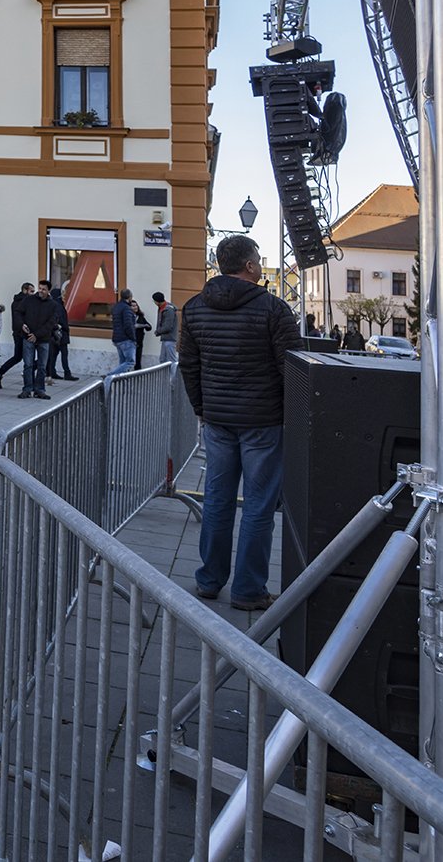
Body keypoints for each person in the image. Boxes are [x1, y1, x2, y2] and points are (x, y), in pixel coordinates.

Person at [179, 234, 302, 612]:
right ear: (249, 266)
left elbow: (190, 365)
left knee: (217, 499)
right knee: (259, 504)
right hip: (263, 421)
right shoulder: (274, 309)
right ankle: (249, 590)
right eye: (258, 259)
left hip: (217, 419)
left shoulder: (195, 307)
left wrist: (202, 407)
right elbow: (292, 368)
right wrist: (292, 415)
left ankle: (209, 580)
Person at [17, 279, 57, 399]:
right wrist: (21, 324)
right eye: (40, 288)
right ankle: (27, 389)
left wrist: (37, 335)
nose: (40, 291)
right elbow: (18, 312)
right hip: (28, 337)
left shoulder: (53, 305)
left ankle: (40, 389)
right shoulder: (29, 300)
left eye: (43, 289)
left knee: (42, 366)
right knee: (28, 365)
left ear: (48, 291)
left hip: (43, 339)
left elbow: (51, 323)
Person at [0, 281, 34, 388]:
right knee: (19, 357)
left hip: (26, 333)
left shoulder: (28, 301)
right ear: (25, 290)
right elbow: (18, 319)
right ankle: (0, 373)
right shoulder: (19, 302)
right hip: (20, 334)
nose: (33, 293)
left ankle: (0, 373)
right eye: (31, 291)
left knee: (22, 357)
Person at [44, 286, 77, 381]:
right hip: (61, 333)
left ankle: (52, 371)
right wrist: (65, 328)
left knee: (54, 354)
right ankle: (67, 373)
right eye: (62, 294)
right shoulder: (58, 306)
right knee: (63, 354)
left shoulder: (54, 304)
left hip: (56, 334)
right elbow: (60, 320)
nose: (64, 296)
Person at [109, 288, 137, 375]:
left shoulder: (116, 307)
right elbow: (128, 325)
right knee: (130, 362)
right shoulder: (126, 308)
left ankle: (122, 385)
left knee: (122, 363)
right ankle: (110, 375)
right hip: (126, 339)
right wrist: (133, 339)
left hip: (117, 338)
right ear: (129, 297)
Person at [152, 291, 179, 363]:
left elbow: (168, 327)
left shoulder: (168, 310)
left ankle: (173, 374)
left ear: (157, 302)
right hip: (166, 338)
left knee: (171, 360)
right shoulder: (163, 308)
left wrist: (158, 331)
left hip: (170, 339)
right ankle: (166, 374)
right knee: (163, 360)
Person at [129, 296, 152, 370]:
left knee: (138, 360)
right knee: (129, 360)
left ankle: (137, 376)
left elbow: (149, 327)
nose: (135, 307)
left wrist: (144, 325)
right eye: (132, 306)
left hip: (139, 341)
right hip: (130, 342)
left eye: (136, 305)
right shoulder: (128, 317)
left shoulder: (140, 317)